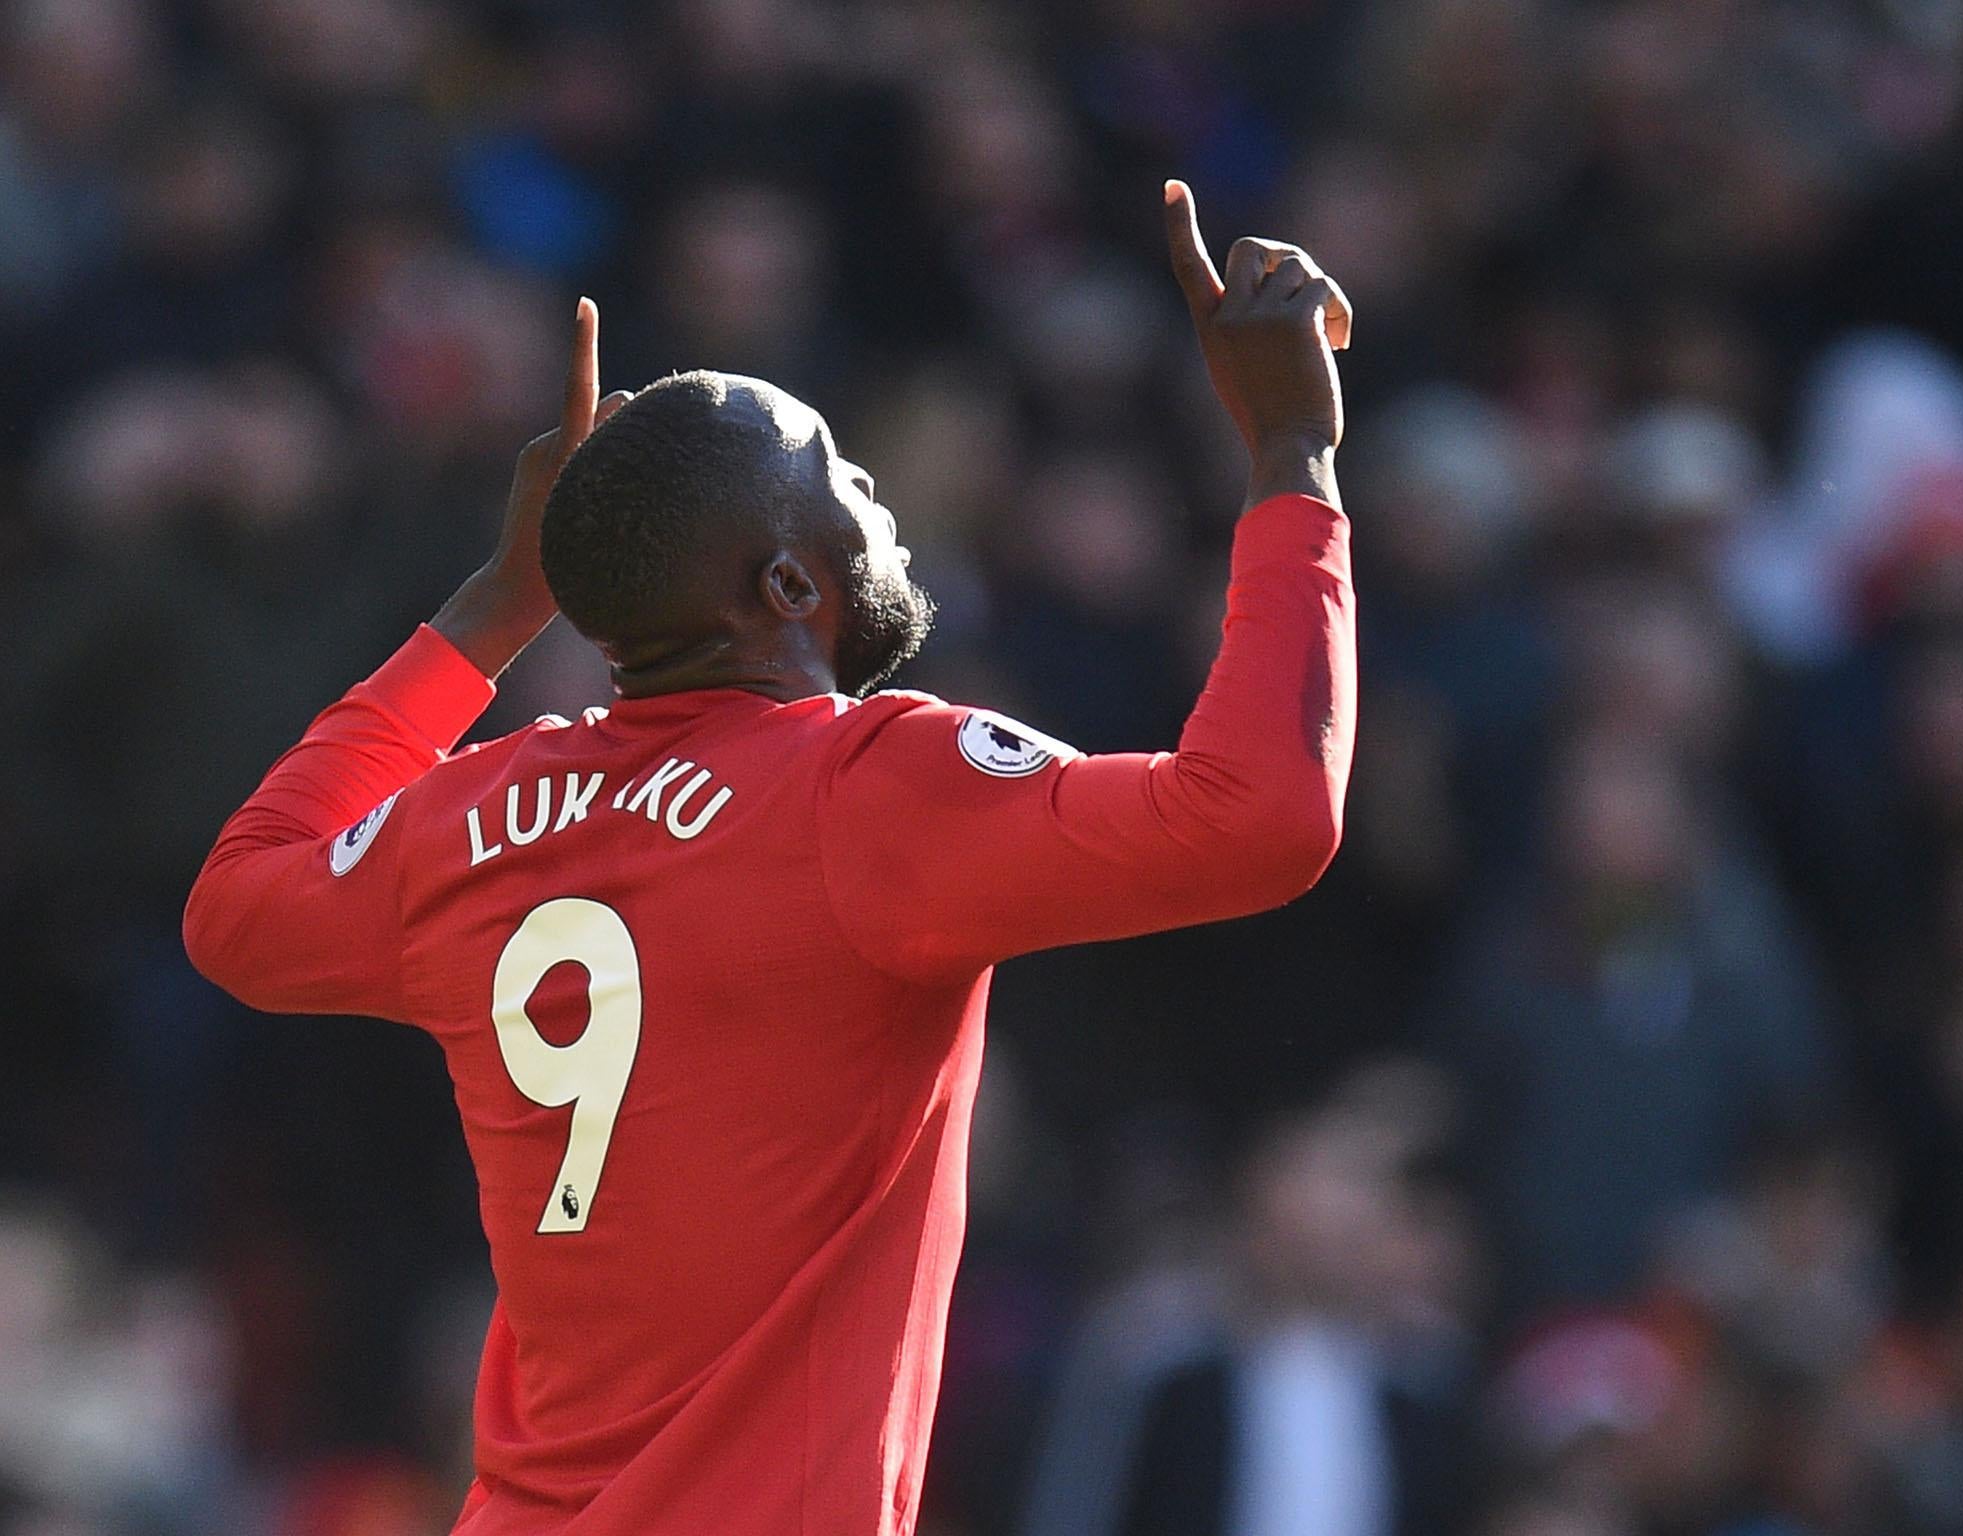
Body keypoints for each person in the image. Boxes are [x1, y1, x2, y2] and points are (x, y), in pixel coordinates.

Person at [181, 182, 1358, 1536]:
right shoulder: (867, 788)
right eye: (844, 478)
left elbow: (239, 901)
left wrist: (495, 608)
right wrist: (1292, 459)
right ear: (789, 590)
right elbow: (1262, 816)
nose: (881, 498)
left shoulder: (469, 818)